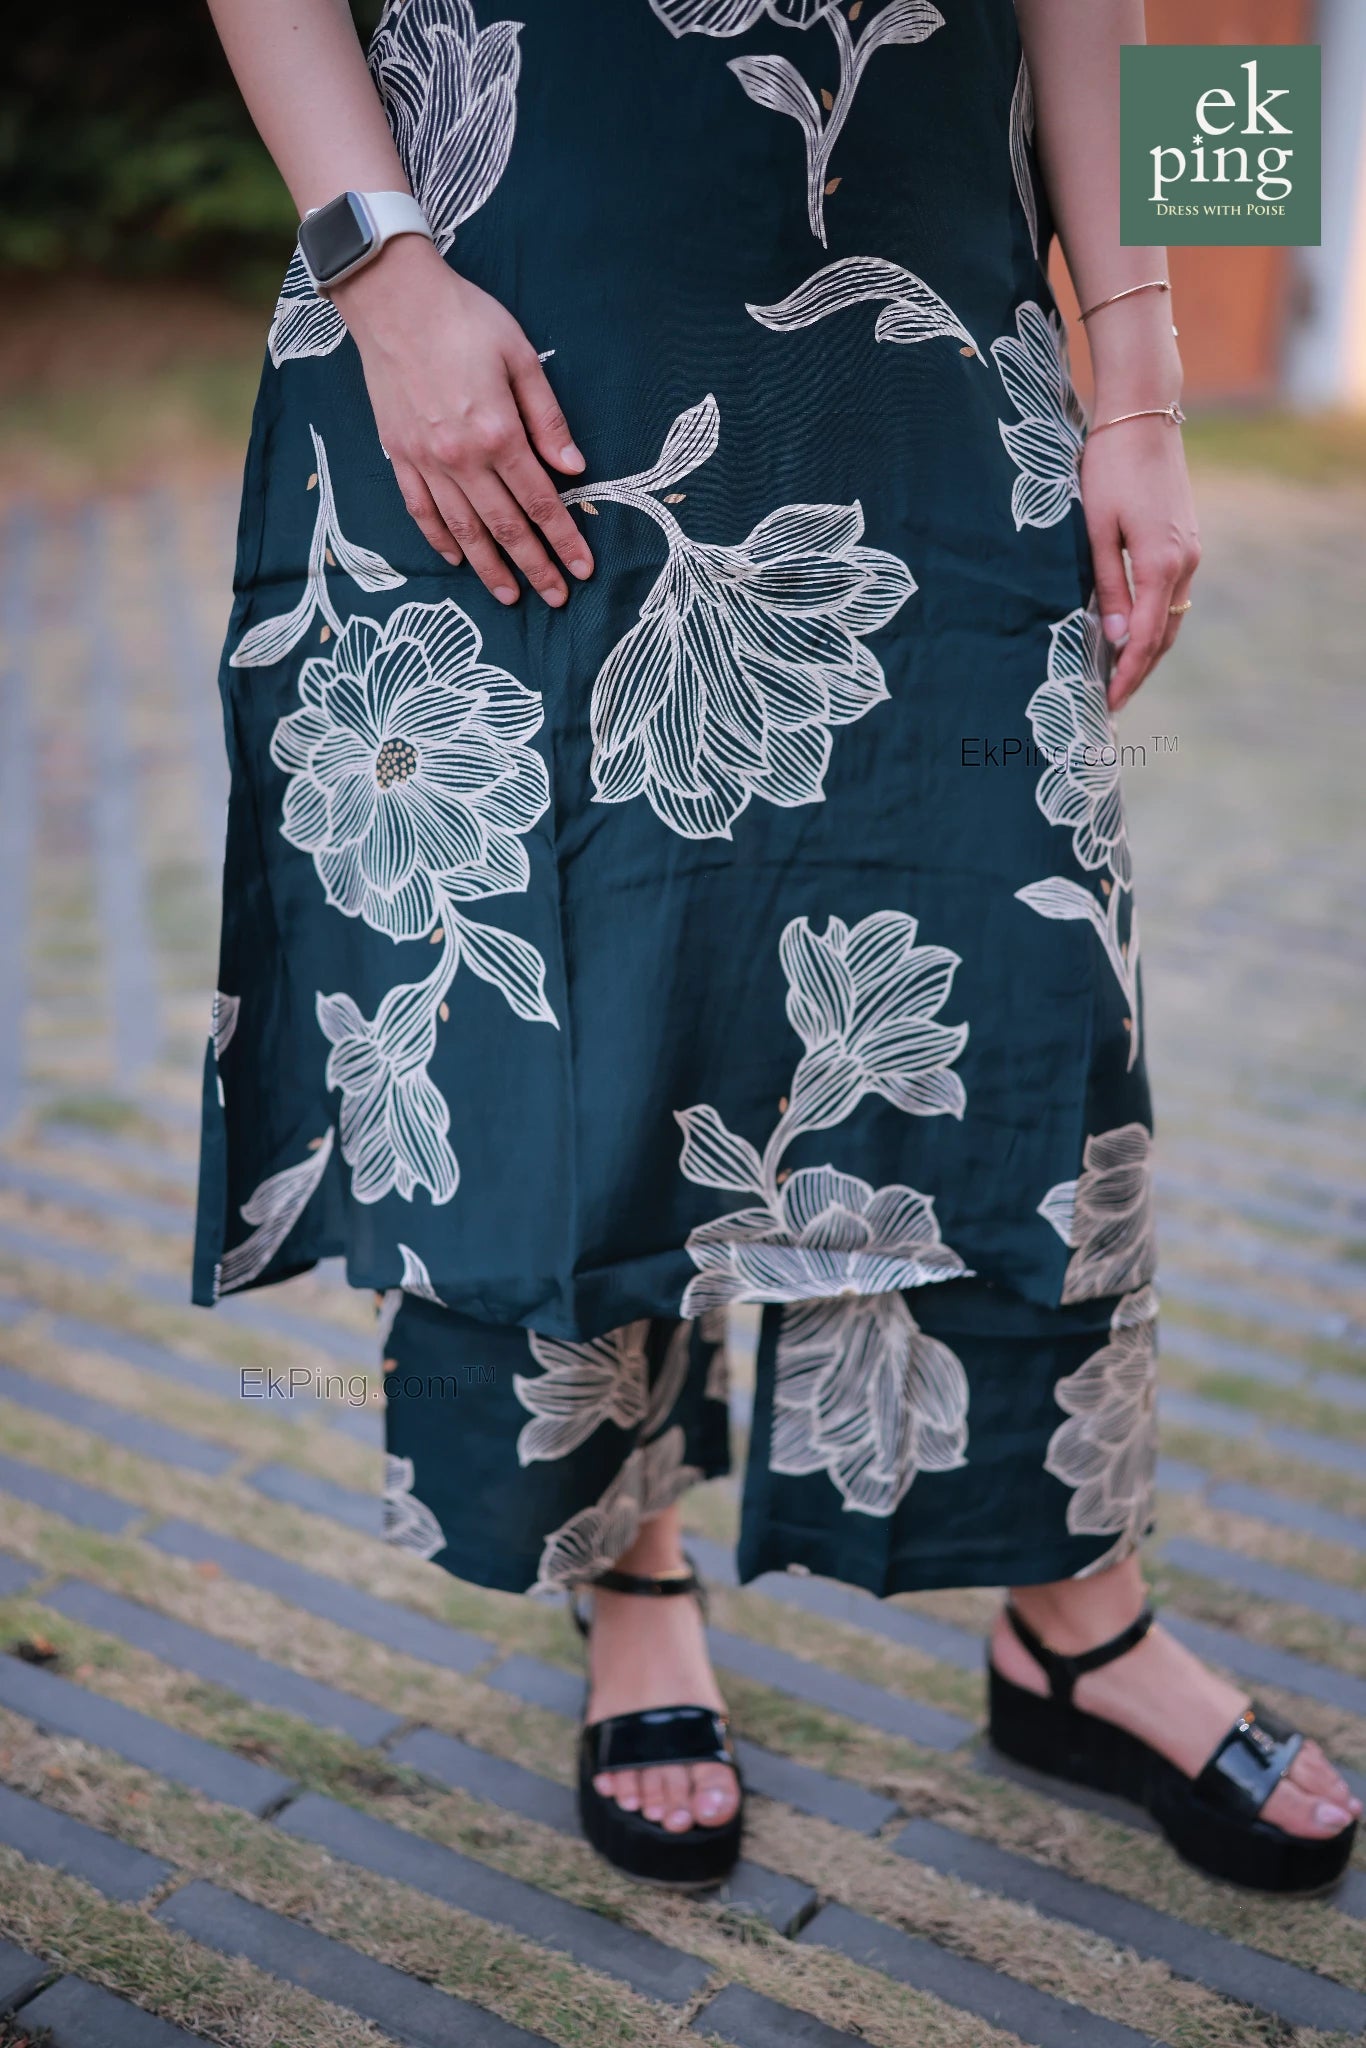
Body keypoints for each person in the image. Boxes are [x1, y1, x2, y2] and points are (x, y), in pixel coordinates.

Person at [198, 0, 1359, 1893]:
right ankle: (631, 1571)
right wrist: (377, 271)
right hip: (507, 330)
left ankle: (1075, 1612)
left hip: (945, 347)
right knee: (580, 1005)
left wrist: (1146, 389)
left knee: (1016, 977)